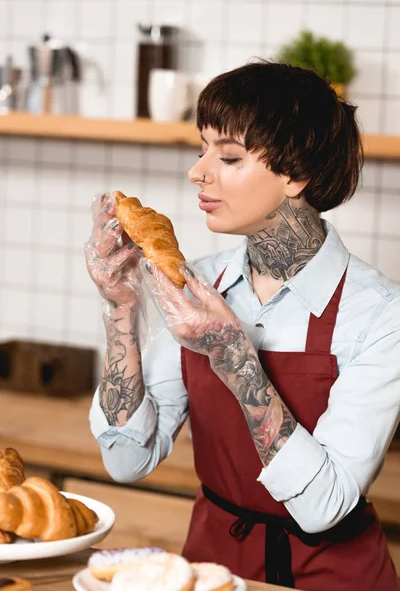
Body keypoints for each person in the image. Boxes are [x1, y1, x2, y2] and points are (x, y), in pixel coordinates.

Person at [85, 61, 400, 591]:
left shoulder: (379, 314)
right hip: (213, 570)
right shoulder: (198, 283)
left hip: (333, 575)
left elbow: (324, 506)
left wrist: (232, 351)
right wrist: (121, 308)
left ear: (295, 174)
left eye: (228, 156)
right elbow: (126, 459)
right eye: (202, 148)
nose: (198, 171)